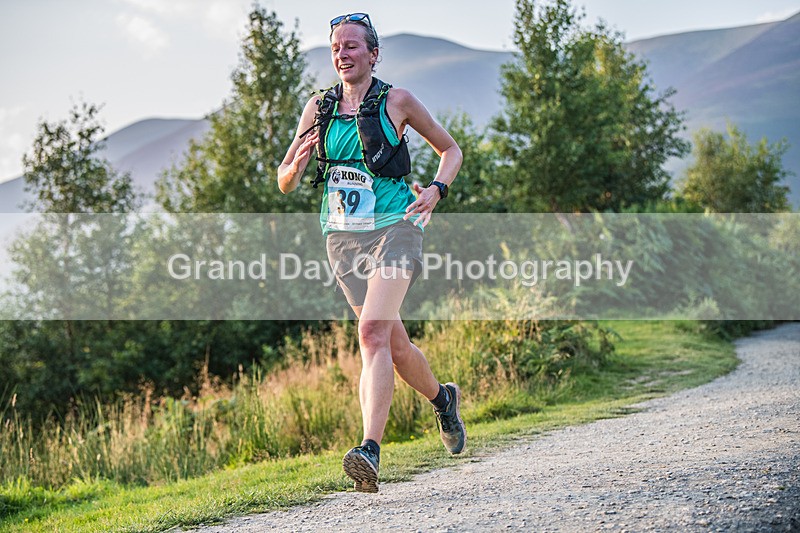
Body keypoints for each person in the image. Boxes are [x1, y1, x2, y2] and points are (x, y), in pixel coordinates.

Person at [278, 12, 465, 494]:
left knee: (371, 331)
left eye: (353, 46)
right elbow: (283, 180)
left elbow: (451, 150)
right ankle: (443, 399)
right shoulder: (317, 107)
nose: (343, 54)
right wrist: (295, 166)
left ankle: (369, 450)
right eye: (337, 47)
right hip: (341, 237)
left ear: (373, 54)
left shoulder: (397, 100)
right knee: (393, 346)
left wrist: (438, 190)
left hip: (396, 228)